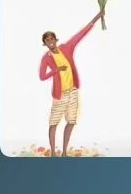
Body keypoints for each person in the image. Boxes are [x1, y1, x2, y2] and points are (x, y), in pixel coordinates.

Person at [38, 10, 104, 156]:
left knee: (71, 121)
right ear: (45, 44)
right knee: (54, 123)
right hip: (59, 94)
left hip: (72, 92)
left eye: (52, 39)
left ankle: (64, 153)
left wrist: (96, 18)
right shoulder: (46, 58)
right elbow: (42, 76)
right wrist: (55, 70)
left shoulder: (66, 48)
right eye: (47, 41)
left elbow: (80, 34)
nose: (50, 42)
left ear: (56, 39)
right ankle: (54, 153)